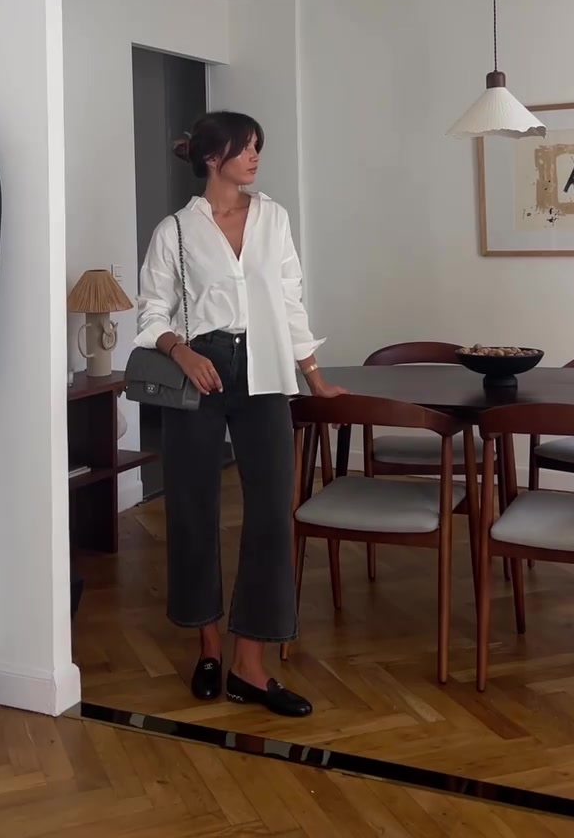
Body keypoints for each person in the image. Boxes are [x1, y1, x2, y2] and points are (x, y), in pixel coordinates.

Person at [133, 111, 346, 717]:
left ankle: (249, 665)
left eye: (258, 147)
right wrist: (180, 350)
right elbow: (152, 311)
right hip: (198, 368)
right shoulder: (175, 230)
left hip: (265, 368)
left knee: (273, 511)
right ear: (212, 158)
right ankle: (207, 645)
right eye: (245, 147)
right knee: (193, 507)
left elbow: (289, 299)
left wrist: (312, 374)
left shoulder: (273, 218)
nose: (255, 156)